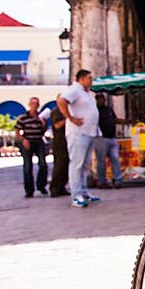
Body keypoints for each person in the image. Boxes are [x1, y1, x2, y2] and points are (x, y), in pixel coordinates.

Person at [57, 69, 100, 208]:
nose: (91, 80)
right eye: (89, 78)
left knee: (85, 165)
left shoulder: (86, 92)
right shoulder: (75, 89)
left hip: (89, 132)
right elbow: (61, 101)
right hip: (78, 132)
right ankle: (76, 195)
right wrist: (70, 118)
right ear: (81, 79)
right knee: (77, 164)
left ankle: (84, 191)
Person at [15, 97, 49, 198]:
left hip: (39, 141)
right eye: (33, 103)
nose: (35, 105)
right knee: (27, 166)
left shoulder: (40, 117)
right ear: (29, 104)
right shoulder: (23, 118)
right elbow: (17, 132)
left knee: (43, 164)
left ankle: (41, 185)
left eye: (36, 104)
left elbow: (43, 131)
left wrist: (44, 124)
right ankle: (29, 190)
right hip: (28, 142)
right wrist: (23, 140)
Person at [93, 92, 123, 189]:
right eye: (99, 99)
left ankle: (118, 180)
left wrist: (126, 121)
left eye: (103, 99)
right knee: (101, 161)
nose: (102, 101)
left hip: (112, 137)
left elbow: (114, 120)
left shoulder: (108, 109)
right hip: (101, 138)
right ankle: (102, 181)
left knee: (115, 159)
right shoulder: (95, 111)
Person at [44, 96, 69, 197]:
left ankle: (62, 186)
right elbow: (57, 125)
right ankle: (54, 188)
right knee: (59, 166)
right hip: (59, 142)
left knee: (66, 165)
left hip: (67, 141)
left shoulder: (67, 110)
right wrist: (68, 118)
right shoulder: (57, 111)